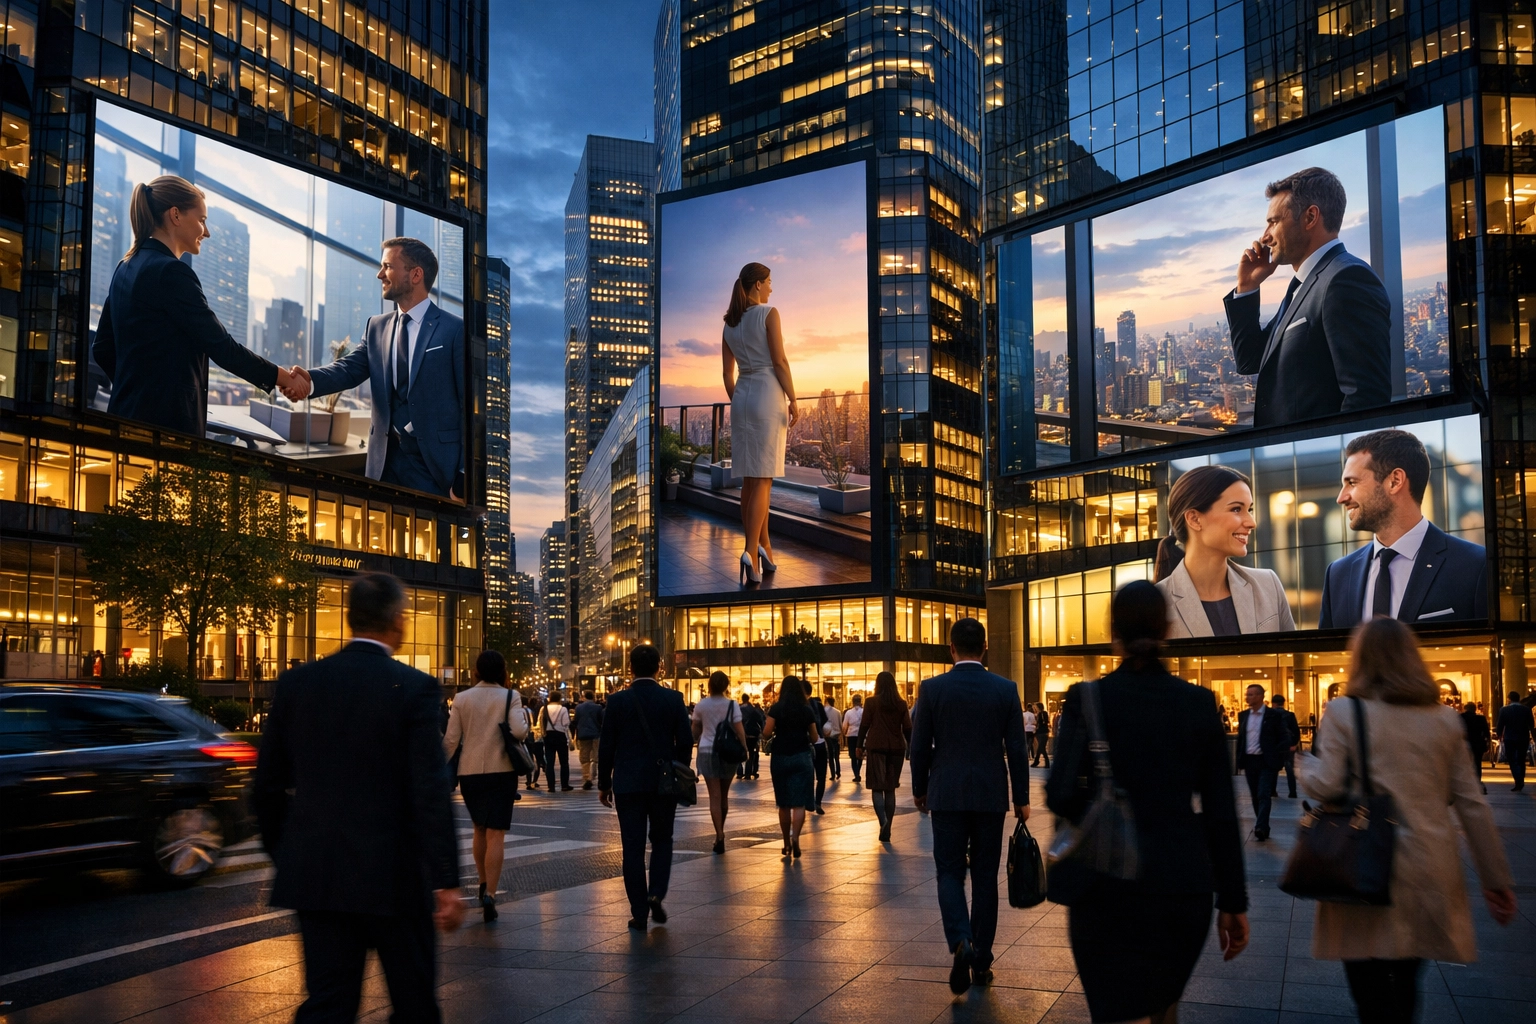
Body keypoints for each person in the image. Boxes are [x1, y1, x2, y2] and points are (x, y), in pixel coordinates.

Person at [254, 573, 463, 1023]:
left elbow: (266, 787)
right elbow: (429, 790)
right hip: (396, 874)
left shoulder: (297, 684)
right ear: (397, 620)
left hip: (319, 871)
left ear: (351, 618)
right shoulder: (414, 687)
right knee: (413, 1002)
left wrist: (289, 851)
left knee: (328, 1003)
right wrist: (445, 879)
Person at [1048, 581, 1250, 1024]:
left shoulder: (1088, 699)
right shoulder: (1198, 703)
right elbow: (1221, 810)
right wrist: (1234, 901)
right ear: (1167, 630)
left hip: (1104, 883)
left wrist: (1099, 804)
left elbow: (1059, 794)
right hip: (1180, 881)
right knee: (1162, 1006)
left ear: (1114, 633)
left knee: (1117, 1010)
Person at [1302, 618, 1517, 1022]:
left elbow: (1327, 784)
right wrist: (1495, 879)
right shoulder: (1443, 718)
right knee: (1405, 985)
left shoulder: (1344, 711)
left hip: (1363, 863)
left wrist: (1304, 768)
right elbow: (1472, 804)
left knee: (1368, 991)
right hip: (1428, 866)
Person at [92, 175, 305, 438]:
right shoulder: (171, 273)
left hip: (123, 418)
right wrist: (283, 377)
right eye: (202, 220)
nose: (206, 232)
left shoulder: (125, 267)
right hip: (166, 429)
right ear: (176, 215)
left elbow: (102, 348)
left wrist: (138, 390)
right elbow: (222, 347)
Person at [284, 238, 466, 499]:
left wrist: (463, 478)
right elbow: (348, 369)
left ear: (416, 275)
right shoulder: (376, 326)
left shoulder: (455, 330)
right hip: (382, 465)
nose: (380, 274)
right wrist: (309, 380)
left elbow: (470, 411)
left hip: (435, 471)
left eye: (388, 266)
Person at [910, 619, 1030, 995]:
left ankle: (961, 939)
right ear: (985, 649)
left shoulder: (932, 689)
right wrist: (1022, 798)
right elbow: (1017, 749)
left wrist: (920, 789)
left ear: (951, 648)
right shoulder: (1005, 689)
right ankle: (981, 961)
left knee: (949, 872)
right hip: (990, 795)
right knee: (985, 878)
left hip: (946, 793)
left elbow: (919, 746)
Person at [1222, 166, 1391, 427]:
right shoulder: (1303, 285)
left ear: (1310, 217)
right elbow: (1250, 360)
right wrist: (1247, 286)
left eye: (1273, 222)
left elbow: (1367, 399)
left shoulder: (1346, 279)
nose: (1265, 237)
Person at [1319, 429, 1488, 629]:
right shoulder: (1337, 575)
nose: (1341, 498)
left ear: (1395, 481)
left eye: (1352, 483)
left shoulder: (1475, 566)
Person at [598, 645, 692, 930]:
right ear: (659, 668)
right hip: (663, 782)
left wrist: (604, 783)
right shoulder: (673, 699)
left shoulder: (617, 701)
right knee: (662, 839)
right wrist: (678, 769)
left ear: (630, 668)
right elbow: (685, 741)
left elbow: (607, 745)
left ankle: (639, 911)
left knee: (632, 847)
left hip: (628, 783)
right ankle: (656, 893)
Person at [721, 262, 798, 585]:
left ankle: (763, 546)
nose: (771, 288)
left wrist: (739, 400)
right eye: (768, 282)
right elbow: (779, 361)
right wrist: (793, 398)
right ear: (757, 285)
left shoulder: (729, 324)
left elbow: (727, 374)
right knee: (764, 479)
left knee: (750, 482)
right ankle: (750, 551)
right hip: (767, 395)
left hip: (742, 397)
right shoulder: (769, 314)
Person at [1153, 465, 1296, 638]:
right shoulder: (1156, 604)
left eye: (1249, 510)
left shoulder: (1268, 585)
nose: (1252, 523)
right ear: (1194, 519)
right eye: (1236, 509)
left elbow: (1295, 655)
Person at [441, 650, 528, 923]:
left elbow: (451, 739)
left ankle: (481, 882)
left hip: (470, 773)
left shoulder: (462, 698)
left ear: (476, 671)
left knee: (479, 828)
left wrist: (437, 768)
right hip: (502, 770)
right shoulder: (510, 696)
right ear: (503, 671)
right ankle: (491, 893)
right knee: (496, 833)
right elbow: (519, 732)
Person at [762, 675, 820, 858]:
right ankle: (796, 838)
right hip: (802, 756)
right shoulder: (806, 709)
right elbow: (815, 738)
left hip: (780, 757)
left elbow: (766, 733)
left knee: (784, 803)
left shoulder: (776, 708)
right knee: (799, 802)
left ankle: (786, 843)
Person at [692, 671, 748, 854]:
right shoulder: (732, 705)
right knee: (724, 795)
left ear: (709, 685)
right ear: (726, 686)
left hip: (707, 750)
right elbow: (739, 730)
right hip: (728, 752)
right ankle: (720, 832)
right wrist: (744, 748)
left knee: (714, 796)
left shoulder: (701, 705)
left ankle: (719, 834)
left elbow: (695, 729)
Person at [859, 671, 912, 842]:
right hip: (897, 748)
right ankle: (888, 826)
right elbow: (908, 728)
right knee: (890, 788)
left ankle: (883, 821)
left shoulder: (871, 702)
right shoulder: (901, 704)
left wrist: (859, 746)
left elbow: (864, 725)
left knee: (877, 787)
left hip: (876, 747)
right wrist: (912, 747)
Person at [1236, 684, 1287, 841]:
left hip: (1266, 761)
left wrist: (1276, 754)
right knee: (1254, 795)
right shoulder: (1243, 715)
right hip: (1250, 760)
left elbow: (1283, 737)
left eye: (1251, 694)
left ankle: (1261, 827)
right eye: (1247, 694)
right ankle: (1263, 824)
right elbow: (1241, 738)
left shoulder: (1273, 715)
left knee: (1263, 793)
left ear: (1260, 696)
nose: (1247, 697)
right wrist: (1239, 759)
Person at [1496, 690, 1534, 792]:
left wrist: (1499, 734)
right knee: (1521, 759)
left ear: (1509, 699)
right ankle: (1521, 778)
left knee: (1511, 759)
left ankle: (1518, 779)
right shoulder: (1526, 710)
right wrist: (1533, 736)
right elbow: (1531, 724)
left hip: (1509, 738)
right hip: (1523, 737)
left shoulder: (1504, 710)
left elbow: (1500, 724)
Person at [1269, 694, 1302, 799]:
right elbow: (1296, 731)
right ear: (1283, 703)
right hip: (1288, 746)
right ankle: (1292, 792)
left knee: (1273, 770)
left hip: (1275, 747)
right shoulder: (1290, 715)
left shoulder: (1270, 715)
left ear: (1273, 703)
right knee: (1290, 770)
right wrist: (1294, 744)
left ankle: (1272, 791)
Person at [540, 693, 574, 791]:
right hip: (560, 736)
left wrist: (543, 734)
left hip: (548, 736)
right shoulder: (563, 709)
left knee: (549, 762)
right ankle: (564, 785)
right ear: (559, 698)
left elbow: (541, 722)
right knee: (564, 762)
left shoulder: (544, 708)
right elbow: (566, 723)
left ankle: (551, 786)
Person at [572, 690, 604, 791]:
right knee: (595, 757)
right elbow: (601, 721)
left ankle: (586, 777)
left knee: (584, 757)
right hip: (596, 734)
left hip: (583, 735)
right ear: (593, 697)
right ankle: (592, 776)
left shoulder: (578, 707)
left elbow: (575, 721)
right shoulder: (598, 707)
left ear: (584, 697)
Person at [1462, 699, 1491, 795]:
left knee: (1465, 764)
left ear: (1465, 709)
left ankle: (1467, 783)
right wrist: (1488, 743)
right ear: (1475, 709)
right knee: (1478, 763)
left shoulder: (1460, 717)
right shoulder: (1481, 718)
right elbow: (1486, 732)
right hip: (1478, 744)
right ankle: (1477, 781)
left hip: (1464, 744)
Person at [808, 695, 830, 814]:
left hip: (806, 744)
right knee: (821, 777)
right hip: (820, 742)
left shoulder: (800, 705)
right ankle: (818, 802)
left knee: (808, 775)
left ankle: (810, 801)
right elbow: (825, 722)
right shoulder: (818, 705)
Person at [738, 693, 764, 780]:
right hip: (752, 734)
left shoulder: (738, 709)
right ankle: (749, 772)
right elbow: (760, 720)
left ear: (742, 699)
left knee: (740, 752)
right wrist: (761, 731)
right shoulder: (753, 709)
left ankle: (739, 772)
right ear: (748, 699)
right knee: (752, 753)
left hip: (741, 733)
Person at [842, 693, 865, 783]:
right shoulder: (863, 711)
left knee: (853, 756)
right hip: (861, 735)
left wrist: (844, 733)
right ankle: (858, 771)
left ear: (852, 702)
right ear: (860, 701)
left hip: (851, 735)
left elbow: (845, 725)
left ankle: (856, 774)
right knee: (860, 754)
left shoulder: (848, 712)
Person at [822, 697, 843, 780]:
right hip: (836, 735)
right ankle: (838, 771)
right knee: (837, 755)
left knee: (830, 755)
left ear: (826, 701)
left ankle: (833, 774)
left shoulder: (824, 711)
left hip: (828, 735)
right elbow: (840, 724)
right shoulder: (838, 712)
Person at [1033, 702, 1052, 768]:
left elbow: (1044, 722)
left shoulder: (1042, 713)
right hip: (1041, 732)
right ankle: (1037, 761)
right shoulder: (1040, 714)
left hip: (1042, 732)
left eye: (1036, 707)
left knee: (1041, 747)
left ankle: (1042, 762)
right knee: (1041, 747)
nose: (1035, 708)